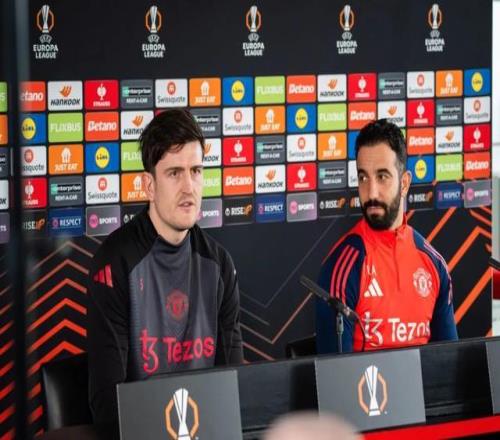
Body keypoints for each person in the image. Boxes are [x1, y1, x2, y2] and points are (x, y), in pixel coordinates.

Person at [87, 109, 243, 432]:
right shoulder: (114, 263)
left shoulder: (220, 265)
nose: (189, 187)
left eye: (196, 171)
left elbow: (234, 386)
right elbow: (108, 404)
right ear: (149, 185)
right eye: (174, 173)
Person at [316, 119, 458, 353]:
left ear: (404, 183)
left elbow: (449, 362)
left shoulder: (434, 264)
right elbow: (335, 373)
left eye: (382, 177)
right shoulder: (342, 267)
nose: (371, 192)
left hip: (423, 379)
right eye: (363, 178)